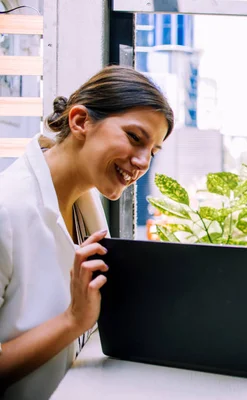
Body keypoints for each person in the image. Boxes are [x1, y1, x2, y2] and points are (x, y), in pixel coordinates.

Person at [0, 65, 174, 399]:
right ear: (80, 121)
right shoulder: (7, 211)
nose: (142, 162)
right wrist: (73, 320)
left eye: (152, 151)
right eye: (135, 138)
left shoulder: (85, 203)